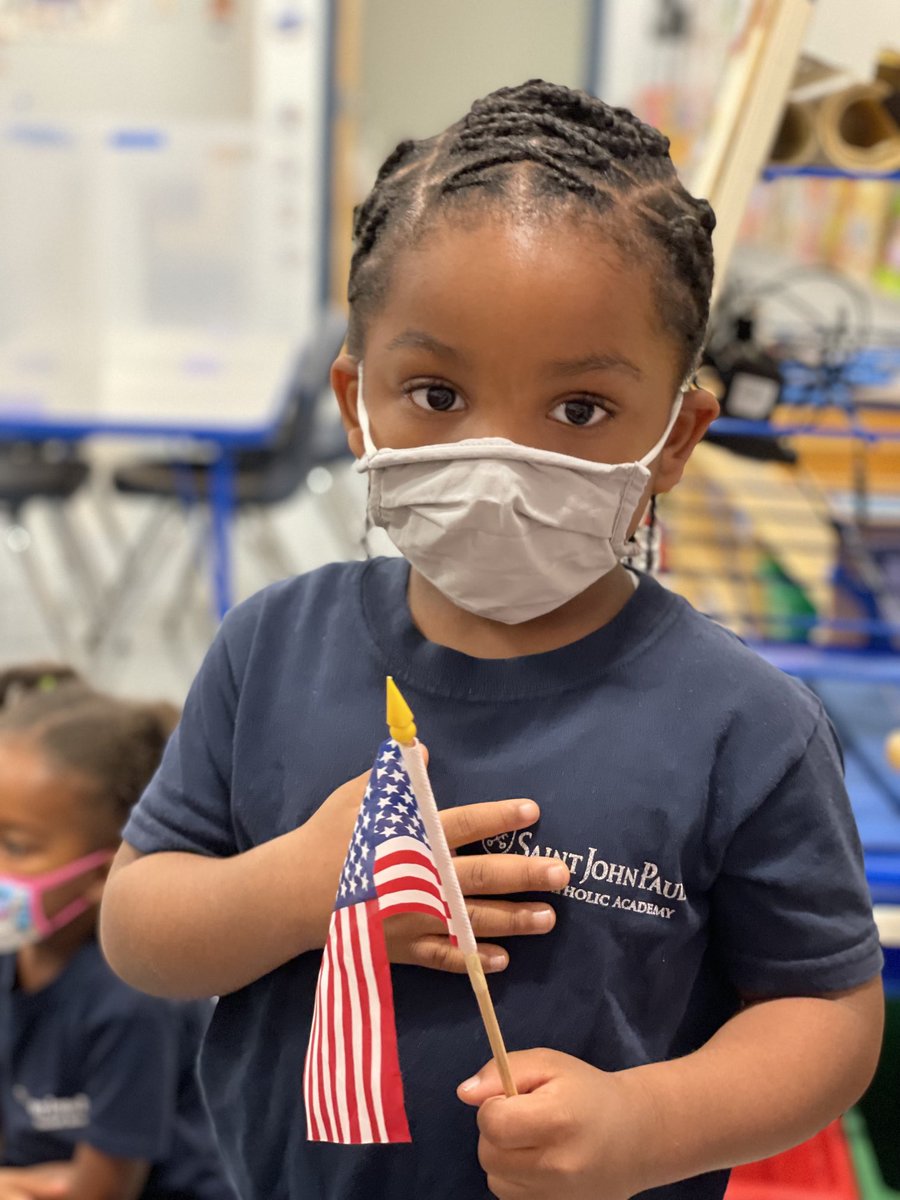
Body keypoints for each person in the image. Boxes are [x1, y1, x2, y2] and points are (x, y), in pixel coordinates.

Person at [99, 80, 884, 1200]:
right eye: (435, 392)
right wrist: (294, 889)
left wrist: (646, 1123)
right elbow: (139, 930)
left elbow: (826, 1015)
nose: (499, 457)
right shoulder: (271, 646)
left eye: (579, 410)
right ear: (355, 403)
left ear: (676, 437)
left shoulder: (745, 724)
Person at [0, 667, 236, 1200]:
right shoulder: (13, 960)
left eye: (16, 846)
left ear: (103, 873)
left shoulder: (134, 1000)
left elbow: (101, 1191)